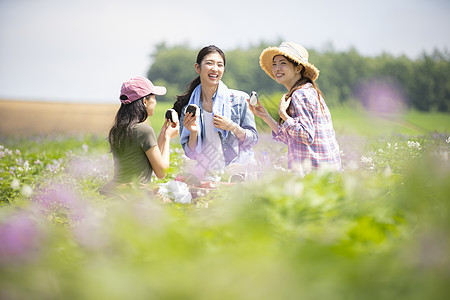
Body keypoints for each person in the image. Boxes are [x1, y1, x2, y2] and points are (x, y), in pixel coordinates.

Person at [249, 42, 341, 174]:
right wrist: (265, 116)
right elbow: (294, 139)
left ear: (298, 68)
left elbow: (306, 135)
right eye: (274, 64)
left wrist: (283, 115)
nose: (277, 68)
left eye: (283, 63)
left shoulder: (300, 95)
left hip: (314, 175)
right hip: (324, 174)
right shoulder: (308, 91)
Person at [173, 45, 258, 178]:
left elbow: (253, 140)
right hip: (206, 176)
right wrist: (194, 132)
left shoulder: (240, 100)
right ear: (197, 68)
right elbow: (191, 153)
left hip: (236, 175)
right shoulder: (189, 108)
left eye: (220, 65)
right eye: (209, 63)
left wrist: (232, 127)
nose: (215, 68)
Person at [107, 76, 179, 185]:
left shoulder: (117, 130)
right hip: (134, 195)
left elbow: (153, 159)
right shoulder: (144, 130)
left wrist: (163, 135)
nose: (155, 102)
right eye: (154, 98)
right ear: (145, 101)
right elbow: (161, 172)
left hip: (115, 191)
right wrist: (168, 138)